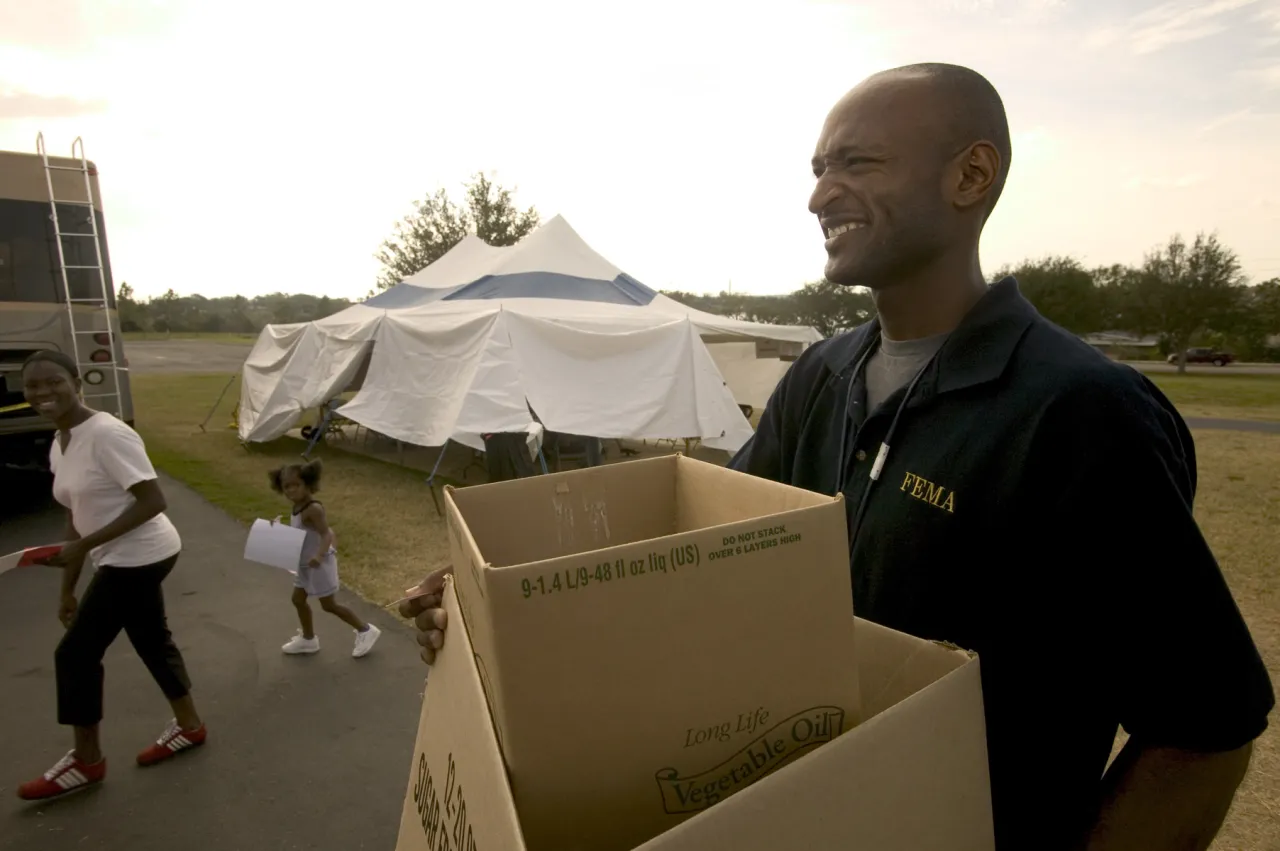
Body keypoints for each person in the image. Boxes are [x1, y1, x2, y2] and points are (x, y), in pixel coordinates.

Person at [401, 63, 1275, 850]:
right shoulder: (824, 373)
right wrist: (486, 602)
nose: (821, 195)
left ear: (972, 175)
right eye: (818, 169)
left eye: (857, 164)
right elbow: (683, 560)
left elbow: (1205, 726)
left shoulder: (1081, 412)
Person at [17, 350, 208, 801]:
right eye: (33, 386)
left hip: (143, 553)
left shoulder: (107, 434)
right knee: (150, 638)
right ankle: (191, 727)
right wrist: (68, 588)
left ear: (76, 381)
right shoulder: (61, 440)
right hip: (114, 556)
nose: (43, 393)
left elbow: (153, 500)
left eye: (53, 382)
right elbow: (74, 517)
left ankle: (87, 762)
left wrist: (83, 547)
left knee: (76, 654)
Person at [269, 459, 382, 658]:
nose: (291, 490)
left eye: (296, 485)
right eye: (286, 486)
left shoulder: (313, 509)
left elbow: (326, 534)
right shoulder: (297, 507)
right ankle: (308, 639)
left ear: (308, 484)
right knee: (297, 599)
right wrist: (277, 531)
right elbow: (303, 534)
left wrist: (320, 555)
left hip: (318, 565)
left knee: (329, 605)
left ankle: (365, 630)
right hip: (304, 565)